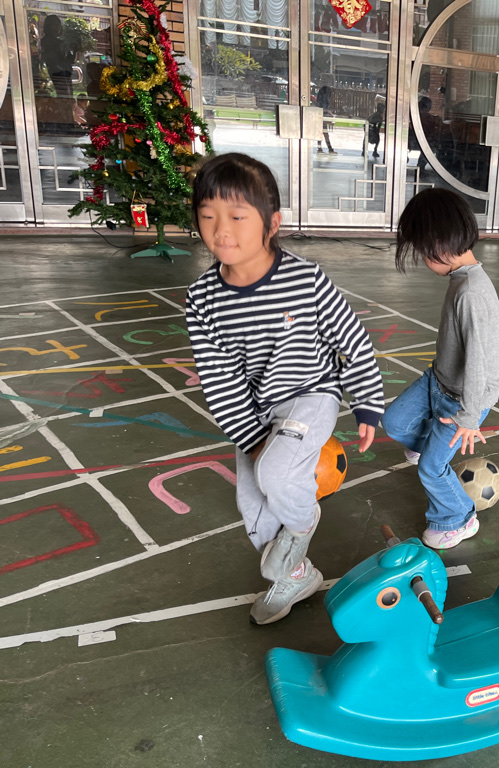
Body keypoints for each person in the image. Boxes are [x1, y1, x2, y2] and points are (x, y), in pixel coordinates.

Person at [185, 153, 384, 624]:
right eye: (208, 216)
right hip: (256, 408)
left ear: (271, 223)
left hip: (311, 393)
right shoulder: (202, 299)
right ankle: (295, 576)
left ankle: (302, 523)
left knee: (276, 476)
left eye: (237, 217)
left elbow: (351, 339)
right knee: (252, 507)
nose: (221, 230)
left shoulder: (306, 280)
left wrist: (367, 403)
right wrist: (252, 439)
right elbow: (220, 380)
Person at [381, 189, 499, 550]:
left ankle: (458, 517)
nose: (422, 258)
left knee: (431, 468)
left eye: (422, 251)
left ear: (440, 244)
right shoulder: (461, 278)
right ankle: (428, 445)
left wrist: (469, 417)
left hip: (463, 399)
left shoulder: (471, 293)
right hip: (438, 382)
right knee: (395, 422)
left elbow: (478, 362)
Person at [39, 15, 74, 98]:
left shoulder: (58, 42)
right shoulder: (49, 42)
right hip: (58, 72)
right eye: (54, 25)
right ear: (48, 26)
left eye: (58, 25)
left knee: (67, 95)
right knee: (65, 95)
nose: (57, 27)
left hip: (63, 72)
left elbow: (70, 60)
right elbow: (62, 57)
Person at [315, 85, 335, 154]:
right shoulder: (325, 100)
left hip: (320, 116)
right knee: (324, 132)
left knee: (321, 132)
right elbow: (325, 108)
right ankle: (329, 148)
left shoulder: (320, 99)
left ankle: (321, 148)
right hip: (323, 117)